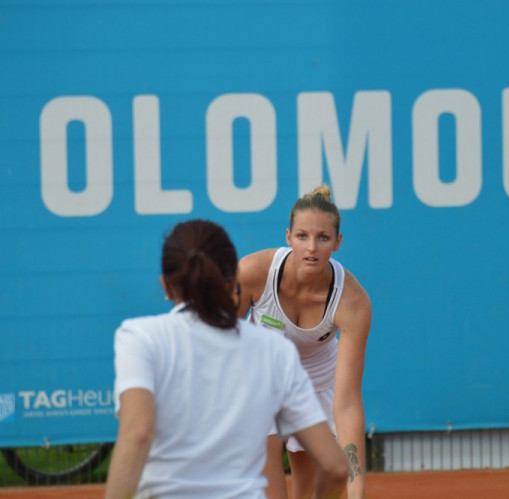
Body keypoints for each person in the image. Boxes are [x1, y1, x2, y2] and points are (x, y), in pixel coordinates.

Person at [104, 219, 348, 499]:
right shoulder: (275, 351)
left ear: (166, 287)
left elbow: (137, 434)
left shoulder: (138, 337)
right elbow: (335, 469)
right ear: (234, 281)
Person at [237, 185, 372, 499]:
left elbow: (348, 402)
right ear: (288, 237)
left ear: (337, 242)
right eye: (302, 236)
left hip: (316, 385)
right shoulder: (250, 273)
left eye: (323, 238)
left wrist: (358, 489)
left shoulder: (353, 301)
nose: (311, 248)